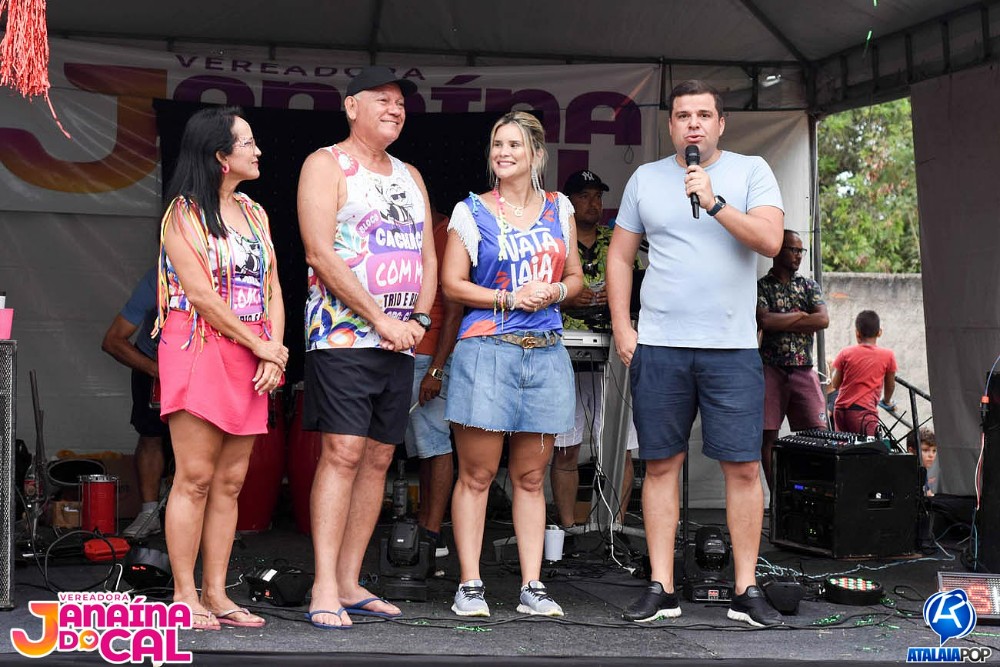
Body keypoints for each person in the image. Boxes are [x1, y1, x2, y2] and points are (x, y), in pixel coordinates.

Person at [606, 80, 785, 627]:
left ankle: (746, 588)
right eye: (683, 115)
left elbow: (771, 242)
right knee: (660, 465)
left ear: (721, 123)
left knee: (744, 466)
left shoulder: (751, 171)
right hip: (661, 344)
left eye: (704, 115)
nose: (693, 124)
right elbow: (619, 257)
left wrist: (714, 202)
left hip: (731, 347)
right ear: (671, 125)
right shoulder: (645, 178)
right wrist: (623, 327)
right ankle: (661, 587)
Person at [297, 66, 436, 630]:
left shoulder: (410, 174)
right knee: (344, 453)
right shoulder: (326, 164)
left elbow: (427, 252)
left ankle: (351, 581)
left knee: (380, 457)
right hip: (342, 336)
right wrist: (380, 319)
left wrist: (419, 319)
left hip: (400, 341)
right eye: (382, 99)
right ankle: (324, 584)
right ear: (351, 106)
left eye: (400, 102)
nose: (395, 109)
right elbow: (318, 252)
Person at [442, 111, 583, 617]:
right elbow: (452, 284)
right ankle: (470, 585)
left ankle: (532, 586)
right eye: (497, 145)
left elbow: (577, 278)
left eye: (514, 145)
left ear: (536, 155)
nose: (503, 153)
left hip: (545, 350)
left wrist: (555, 291)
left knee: (530, 477)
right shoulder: (471, 210)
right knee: (477, 475)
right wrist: (509, 298)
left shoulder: (559, 207)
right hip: (487, 350)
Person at [155, 106, 286, 630]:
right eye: (248, 142)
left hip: (251, 349)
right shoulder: (182, 214)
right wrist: (263, 347)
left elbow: (274, 287)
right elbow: (203, 297)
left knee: (231, 482)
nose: (258, 151)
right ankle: (184, 595)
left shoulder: (255, 212)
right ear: (220, 156)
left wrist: (273, 347)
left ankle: (216, 592)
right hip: (199, 346)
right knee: (195, 477)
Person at [553, 170, 638, 533]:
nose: (593, 203)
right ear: (569, 201)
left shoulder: (616, 241)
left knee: (620, 447)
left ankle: (614, 527)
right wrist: (568, 298)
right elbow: (533, 291)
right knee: (566, 447)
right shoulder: (555, 240)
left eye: (598, 196)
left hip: (611, 354)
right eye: (585, 196)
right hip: (563, 355)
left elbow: (637, 289)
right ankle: (569, 529)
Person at [405, 208, 463, 558]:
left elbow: (454, 311)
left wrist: (437, 370)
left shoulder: (443, 233)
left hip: (429, 356)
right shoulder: (425, 233)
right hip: (413, 353)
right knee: (425, 450)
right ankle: (426, 525)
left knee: (436, 445)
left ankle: (432, 533)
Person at [756, 230, 830, 489]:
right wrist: (801, 316)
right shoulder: (762, 286)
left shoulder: (809, 285)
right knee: (768, 436)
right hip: (771, 369)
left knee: (820, 434)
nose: (799, 255)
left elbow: (822, 319)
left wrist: (784, 319)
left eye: (801, 251)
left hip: (803, 369)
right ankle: (778, 497)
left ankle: (812, 493)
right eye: (793, 250)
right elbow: (765, 321)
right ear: (777, 250)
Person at [101, 267, 171, 539]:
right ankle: (149, 513)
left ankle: (212, 516)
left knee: (204, 441)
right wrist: (155, 370)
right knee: (151, 436)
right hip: (154, 361)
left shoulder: (223, 274)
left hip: (200, 365)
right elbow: (112, 340)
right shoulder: (157, 279)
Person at [830, 310, 898, 436]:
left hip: (840, 410)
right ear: (879, 332)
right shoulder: (888, 355)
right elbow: (890, 385)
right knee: (868, 447)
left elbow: (835, 384)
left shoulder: (845, 353)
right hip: (864, 412)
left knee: (844, 446)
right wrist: (887, 400)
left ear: (857, 333)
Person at [917, 426, 939, 496]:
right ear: (911, 450)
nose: (931, 455)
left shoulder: (924, 471)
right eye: (925, 450)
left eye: (934, 451)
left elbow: (929, 493)